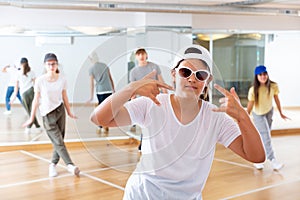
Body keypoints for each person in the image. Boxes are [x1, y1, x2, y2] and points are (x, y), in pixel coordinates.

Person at [90, 44, 265, 200]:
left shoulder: (215, 116)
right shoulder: (152, 103)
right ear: (173, 74)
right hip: (142, 195)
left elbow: (256, 156)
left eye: (200, 74)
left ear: (207, 81)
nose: (192, 78)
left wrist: (243, 117)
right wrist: (131, 88)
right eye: (185, 72)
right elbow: (98, 118)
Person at [23, 53, 80, 177]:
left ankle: (52, 165)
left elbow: (64, 96)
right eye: (49, 64)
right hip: (47, 114)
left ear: (57, 64)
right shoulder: (40, 80)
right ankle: (70, 165)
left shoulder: (62, 79)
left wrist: (69, 112)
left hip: (60, 111)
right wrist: (31, 118)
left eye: (53, 63)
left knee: (59, 140)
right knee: (58, 141)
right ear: (45, 65)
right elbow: (36, 100)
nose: (51, 66)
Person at [247, 65, 289, 171]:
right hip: (258, 115)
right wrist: (246, 116)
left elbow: (277, 99)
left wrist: (281, 113)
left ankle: (258, 160)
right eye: (260, 75)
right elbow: (250, 104)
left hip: (269, 112)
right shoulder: (253, 90)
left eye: (265, 74)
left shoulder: (273, 86)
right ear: (256, 76)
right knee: (266, 137)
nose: (263, 76)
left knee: (263, 137)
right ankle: (273, 160)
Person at [129, 48, 168, 150]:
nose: (141, 56)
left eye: (143, 54)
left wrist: (166, 95)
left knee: (156, 122)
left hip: (156, 98)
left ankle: (159, 143)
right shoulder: (133, 72)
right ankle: (144, 143)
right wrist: (132, 100)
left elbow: (161, 81)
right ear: (136, 57)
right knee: (145, 123)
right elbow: (133, 87)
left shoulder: (154, 67)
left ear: (146, 55)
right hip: (142, 101)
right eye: (139, 54)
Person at [10, 57, 42, 134]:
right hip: (31, 91)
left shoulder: (18, 73)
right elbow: (36, 83)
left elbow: (16, 87)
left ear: (20, 64)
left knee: (29, 111)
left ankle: (29, 127)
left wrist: (13, 97)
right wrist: (38, 93)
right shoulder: (32, 72)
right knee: (31, 110)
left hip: (24, 93)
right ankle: (38, 126)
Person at [87, 52, 115, 133]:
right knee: (107, 108)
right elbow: (110, 78)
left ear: (91, 59)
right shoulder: (104, 65)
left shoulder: (91, 69)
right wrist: (113, 89)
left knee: (101, 108)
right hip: (109, 89)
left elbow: (91, 83)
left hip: (100, 91)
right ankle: (106, 125)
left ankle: (100, 124)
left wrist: (91, 96)